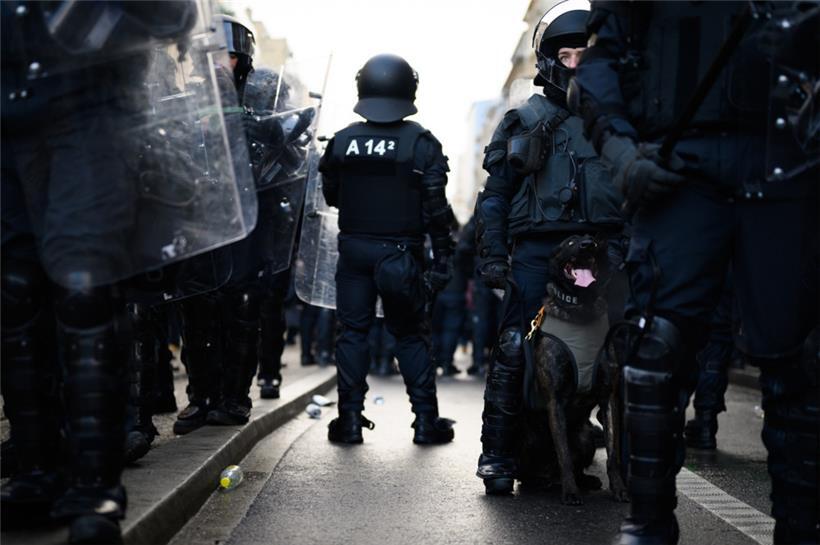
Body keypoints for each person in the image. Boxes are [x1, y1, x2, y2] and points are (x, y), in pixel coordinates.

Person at [570, 2, 819, 543]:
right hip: (680, 166)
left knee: (797, 361)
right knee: (654, 351)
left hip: (787, 165)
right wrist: (620, 152)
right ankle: (649, 521)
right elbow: (599, 65)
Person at [0, 2, 242, 542]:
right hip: (10, 111)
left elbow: (173, 14)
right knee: (13, 294)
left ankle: (92, 485)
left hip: (88, 107)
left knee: (85, 290)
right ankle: (35, 470)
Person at [473, 0, 623, 495]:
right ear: (549, 60)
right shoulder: (523, 120)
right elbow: (495, 196)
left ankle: (628, 461)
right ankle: (497, 455)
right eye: (567, 54)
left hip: (605, 253)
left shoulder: (619, 123)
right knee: (516, 348)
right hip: (539, 254)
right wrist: (494, 255)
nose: (576, 62)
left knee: (619, 356)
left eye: (586, 53)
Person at [318, 53, 456, 445]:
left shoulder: (343, 140)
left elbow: (332, 196)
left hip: (354, 249)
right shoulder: (422, 143)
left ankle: (348, 421)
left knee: (352, 333)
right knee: (410, 335)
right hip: (400, 253)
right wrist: (442, 261)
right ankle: (427, 422)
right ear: (408, 89)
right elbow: (437, 212)